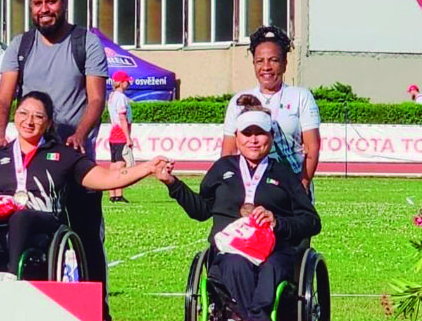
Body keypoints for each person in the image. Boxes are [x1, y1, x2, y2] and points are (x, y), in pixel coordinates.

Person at [0, 91, 168, 279]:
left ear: (48, 123)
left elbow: (106, 179)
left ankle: (13, 275)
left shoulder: (63, 154)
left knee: (21, 217)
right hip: (1, 222)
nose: (29, 121)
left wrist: (147, 167)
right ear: (15, 116)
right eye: (23, 113)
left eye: (38, 116)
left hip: (43, 222)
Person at [0, 0, 111, 319]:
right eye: (38, 3)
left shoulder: (85, 42)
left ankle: (96, 309)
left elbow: (96, 98)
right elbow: (2, 98)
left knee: (86, 234)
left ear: (63, 3)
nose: (45, 9)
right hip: (31, 155)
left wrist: (80, 135)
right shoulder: (21, 45)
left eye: (51, 2)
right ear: (31, 8)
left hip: (73, 155)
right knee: (14, 223)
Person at [156, 95, 321, 321]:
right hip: (229, 251)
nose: (253, 140)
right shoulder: (222, 168)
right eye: (247, 133)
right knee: (236, 263)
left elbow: (311, 221)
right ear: (237, 137)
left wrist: (278, 222)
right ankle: (256, 317)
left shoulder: (284, 173)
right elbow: (201, 211)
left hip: (273, 252)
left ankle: (250, 316)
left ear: (271, 137)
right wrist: (173, 184)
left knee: (271, 267)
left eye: (260, 133)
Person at [221, 25, 321, 198]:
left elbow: (312, 147)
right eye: (260, 61)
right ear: (254, 64)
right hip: (252, 189)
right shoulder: (239, 101)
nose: (266, 67)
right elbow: (228, 152)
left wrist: (303, 185)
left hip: (292, 185)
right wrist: (226, 188)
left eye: (273, 60)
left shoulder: (301, 97)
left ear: (284, 64)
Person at [107, 71, 134, 203]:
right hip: (120, 134)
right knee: (121, 164)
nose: (128, 84)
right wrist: (128, 137)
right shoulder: (121, 97)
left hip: (113, 133)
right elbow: (122, 117)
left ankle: (112, 193)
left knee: (113, 164)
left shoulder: (112, 96)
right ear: (121, 82)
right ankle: (119, 194)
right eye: (126, 81)